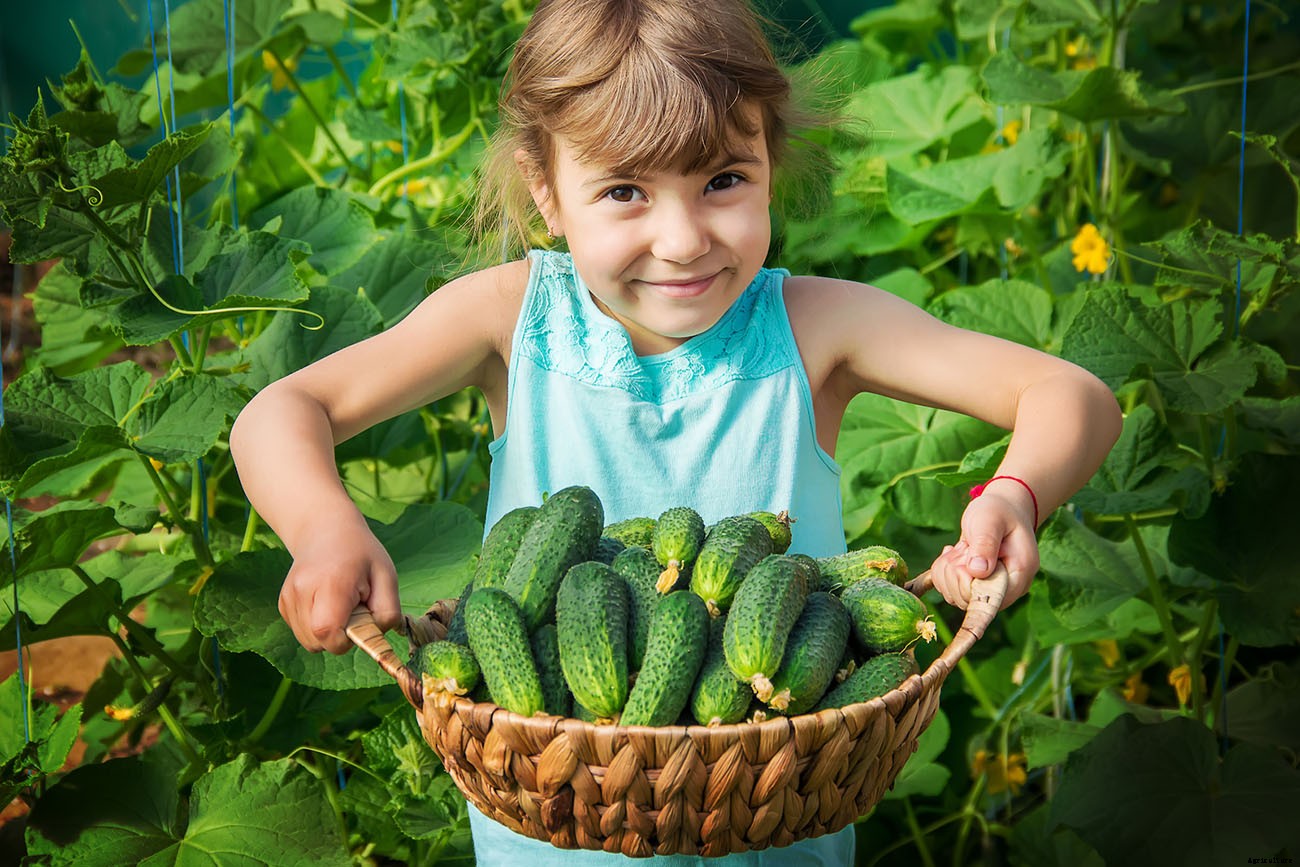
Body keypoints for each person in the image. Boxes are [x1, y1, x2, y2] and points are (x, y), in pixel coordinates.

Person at [229, 0, 1122, 864]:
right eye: (624, 191)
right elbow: (282, 411)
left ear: (771, 161)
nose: (684, 238)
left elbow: (1069, 393)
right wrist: (324, 528)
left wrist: (1014, 492)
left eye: (723, 181)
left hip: (778, 814)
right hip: (556, 827)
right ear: (547, 194)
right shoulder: (510, 322)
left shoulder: (818, 329)